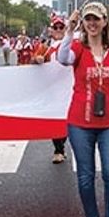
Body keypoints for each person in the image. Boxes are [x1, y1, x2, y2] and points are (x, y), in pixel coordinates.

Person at [56, 2, 109, 217]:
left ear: (104, 22)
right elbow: (62, 58)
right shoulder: (78, 47)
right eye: (88, 19)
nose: (92, 23)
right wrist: (69, 30)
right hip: (80, 121)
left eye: (96, 19)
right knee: (86, 176)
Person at [39, 15, 70, 163]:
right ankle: (59, 149)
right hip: (53, 89)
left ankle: (63, 145)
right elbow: (32, 60)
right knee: (55, 118)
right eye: (55, 28)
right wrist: (37, 60)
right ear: (51, 30)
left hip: (70, 88)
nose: (58, 30)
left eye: (61, 27)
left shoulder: (72, 44)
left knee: (69, 120)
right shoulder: (45, 47)